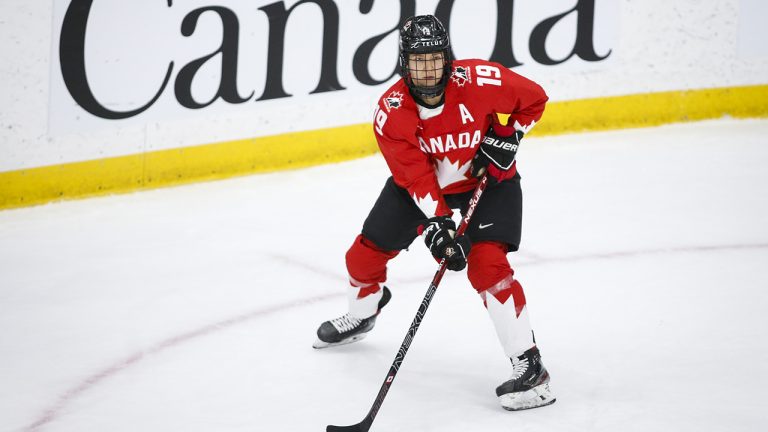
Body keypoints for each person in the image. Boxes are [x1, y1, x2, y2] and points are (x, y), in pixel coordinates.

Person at [313, 15, 555, 411]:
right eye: (417, 60)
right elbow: (416, 177)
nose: (427, 68)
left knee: (487, 265)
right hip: (426, 189)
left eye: (434, 58)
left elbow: (535, 99)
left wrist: (509, 135)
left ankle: (531, 369)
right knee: (362, 256)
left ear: (449, 58)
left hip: (489, 183)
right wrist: (438, 227)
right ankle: (362, 313)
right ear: (403, 63)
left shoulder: (482, 80)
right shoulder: (391, 113)